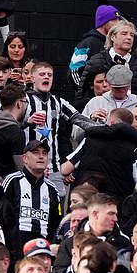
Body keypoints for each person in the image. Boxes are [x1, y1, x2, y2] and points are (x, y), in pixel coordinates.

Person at [23, 60, 94, 197]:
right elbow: (9, 123)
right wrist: (27, 121)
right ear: (32, 78)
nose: (46, 77)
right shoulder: (23, 100)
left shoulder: (58, 102)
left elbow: (79, 119)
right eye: (42, 74)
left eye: (49, 75)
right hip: (28, 167)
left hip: (53, 168)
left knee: (57, 208)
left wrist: (105, 129)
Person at [62, 108, 137, 200]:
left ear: (110, 122)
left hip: (84, 202)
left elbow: (65, 170)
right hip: (113, 207)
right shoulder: (135, 149)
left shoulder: (90, 139)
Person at [2, 140, 61, 246]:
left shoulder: (52, 189)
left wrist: (49, 244)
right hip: (15, 244)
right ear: (25, 159)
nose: (41, 156)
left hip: (42, 246)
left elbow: (55, 223)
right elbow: (2, 214)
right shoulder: (12, 181)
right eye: (35, 152)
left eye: (44, 153)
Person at [78, 21, 137, 106]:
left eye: (132, 35)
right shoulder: (96, 61)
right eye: (124, 33)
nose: (129, 37)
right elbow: (82, 93)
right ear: (112, 36)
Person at [69, 3, 122, 89]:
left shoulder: (115, 44)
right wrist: (86, 92)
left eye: (118, 20)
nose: (118, 23)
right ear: (103, 22)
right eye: (113, 20)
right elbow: (74, 71)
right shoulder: (86, 44)